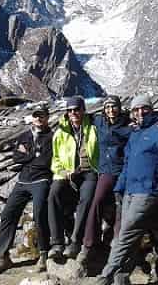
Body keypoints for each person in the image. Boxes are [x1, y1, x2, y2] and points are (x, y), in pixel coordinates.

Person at [96, 94, 158, 285]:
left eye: (144, 108)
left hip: (150, 191)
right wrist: (119, 188)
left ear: (151, 109)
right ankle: (121, 279)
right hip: (129, 191)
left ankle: (105, 276)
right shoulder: (135, 134)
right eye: (136, 110)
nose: (140, 112)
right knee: (131, 236)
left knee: (127, 232)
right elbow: (127, 164)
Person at [0, 107, 54, 276]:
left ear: (47, 118)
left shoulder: (51, 137)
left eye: (42, 116)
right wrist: (34, 155)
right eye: (36, 116)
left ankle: (44, 254)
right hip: (23, 181)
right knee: (8, 214)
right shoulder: (24, 135)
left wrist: (28, 155)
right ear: (32, 118)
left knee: (40, 213)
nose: (39, 119)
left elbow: (45, 161)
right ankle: (1, 257)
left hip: (41, 180)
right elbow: (16, 157)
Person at [78, 95, 133, 266]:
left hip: (122, 170)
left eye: (114, 107)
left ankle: (117, 246)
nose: (111, 110)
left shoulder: (127, 124)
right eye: (108, 107)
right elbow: (78, 116)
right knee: (97, 201)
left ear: (119, 107)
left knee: (120, 206)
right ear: (104, 109)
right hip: (105, 171)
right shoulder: (98, 121)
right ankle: (88, 244)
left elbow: (150, 116)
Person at [48, 95, 100, 260]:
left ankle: (75, 241)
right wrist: (63, 173)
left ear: (83, 110)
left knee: (87, 199)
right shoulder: (60, 133)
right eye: (70, 110)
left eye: (76, 109)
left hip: (89, 172)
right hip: (67, 173)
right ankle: (57, 243)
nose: (73, 113)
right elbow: (55, 159)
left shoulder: (93, 128)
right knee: (53, 194)